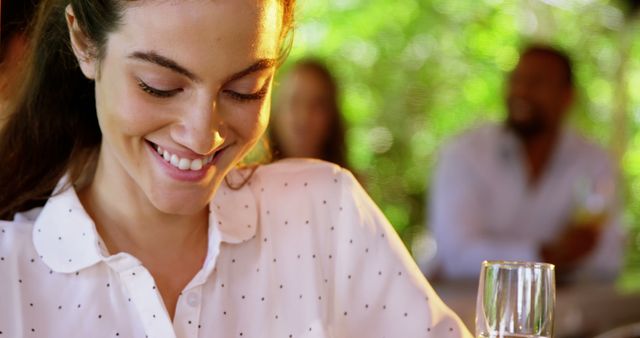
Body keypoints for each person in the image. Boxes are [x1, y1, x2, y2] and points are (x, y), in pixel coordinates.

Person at [0, 0, 472, 337]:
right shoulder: (11, 276)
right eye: (159, 86)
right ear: (84, 41)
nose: (202, 135)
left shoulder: (326, 214)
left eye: (245, 89)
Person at [429, 44, 624, 282]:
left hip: (561, 310)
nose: (522, 91)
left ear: (567, 96)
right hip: (466, 307)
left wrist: (564, 254)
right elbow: (458, 256)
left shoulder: (593, 161)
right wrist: (551, 255)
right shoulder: (465, 153)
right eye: (516, 80)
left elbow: (606, 259)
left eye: (537, 82)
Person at [269, 59, 349, 168]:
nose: (304, 118)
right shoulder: (249, 179)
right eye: (294, 102)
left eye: (317, 105)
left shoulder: (347, 181)